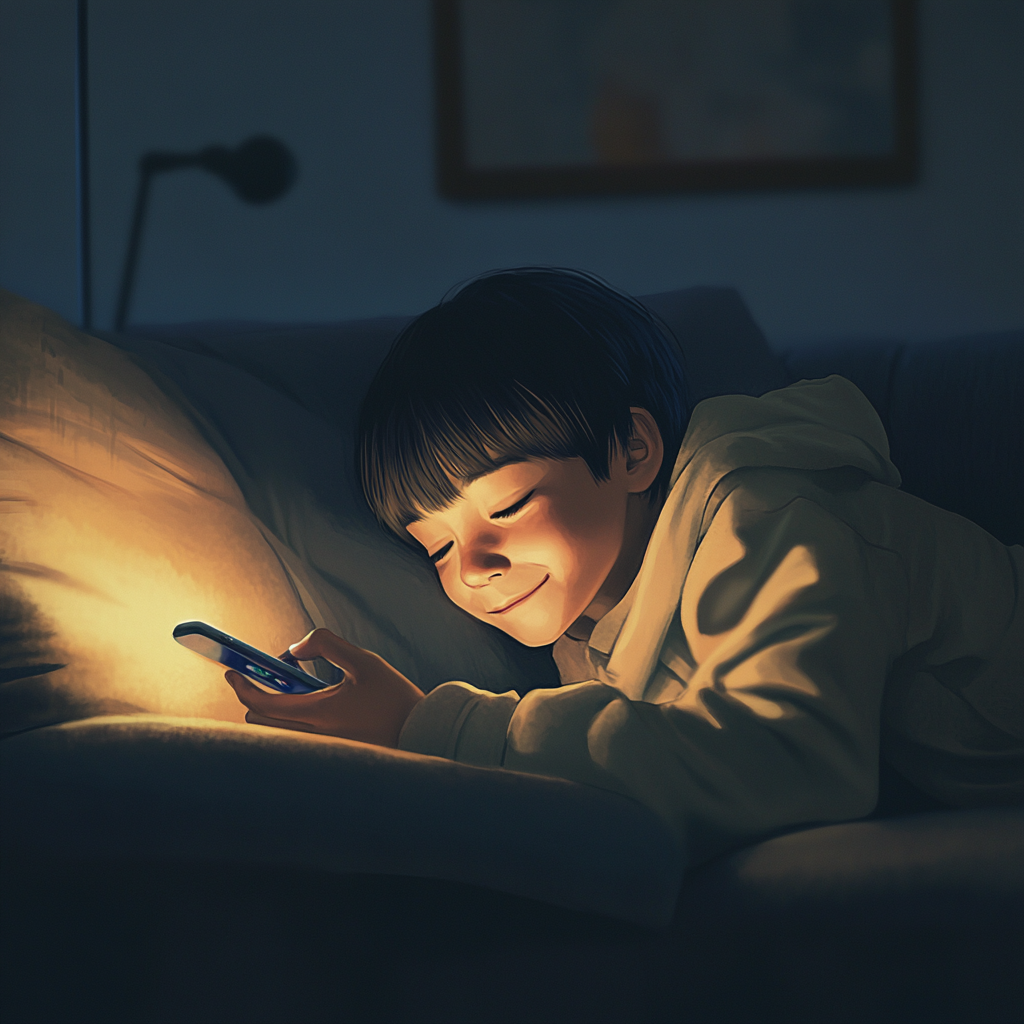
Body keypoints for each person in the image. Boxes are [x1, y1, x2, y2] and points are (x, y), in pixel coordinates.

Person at [226, 268, 1023, 863]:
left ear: (634, 450)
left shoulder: (769, 518)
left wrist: (426, 726)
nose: (474, 565)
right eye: (434, 544)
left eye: (506, 507)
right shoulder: (591, 619)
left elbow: (791, 759)